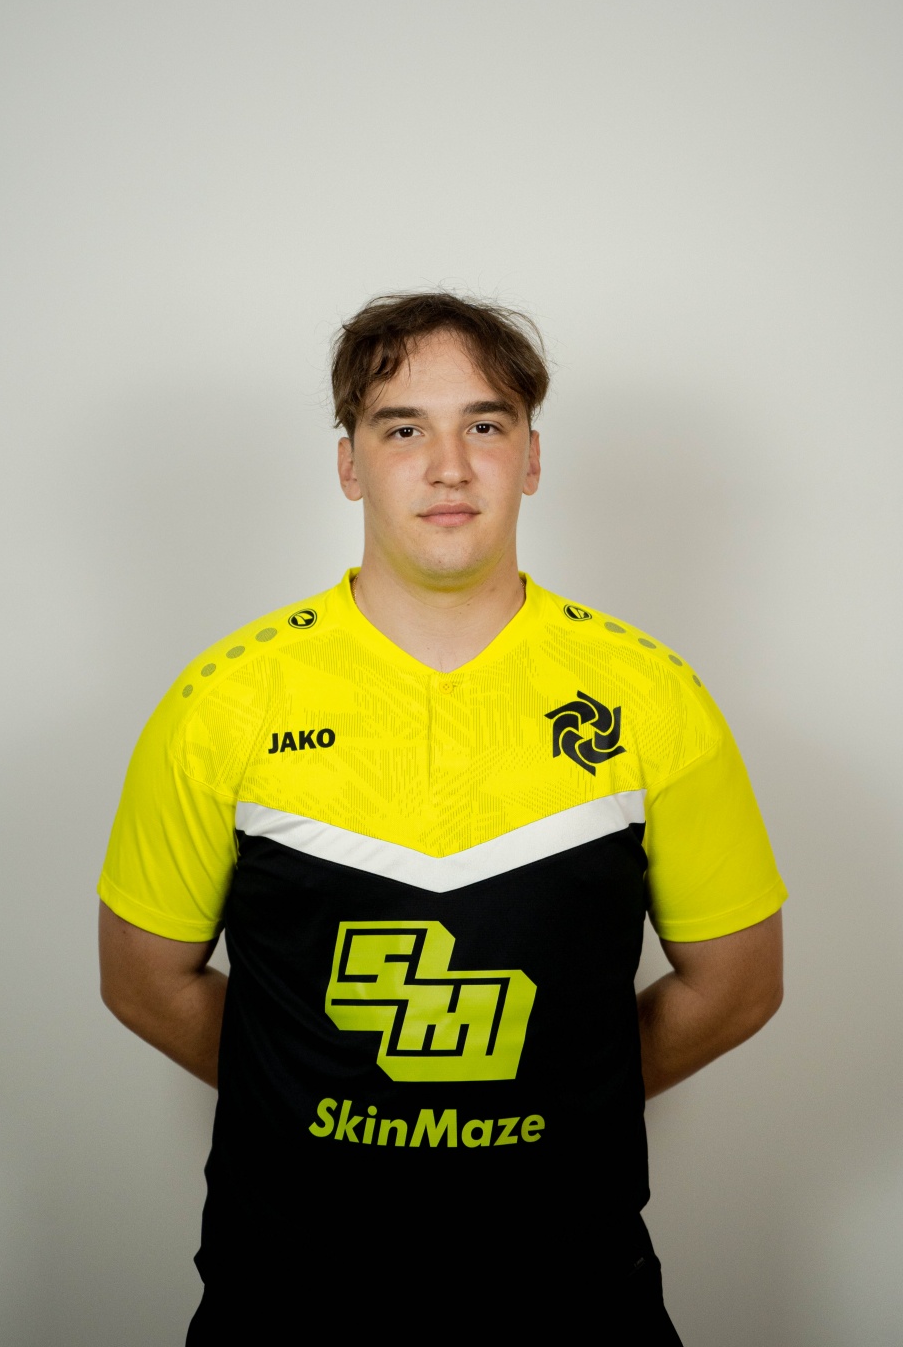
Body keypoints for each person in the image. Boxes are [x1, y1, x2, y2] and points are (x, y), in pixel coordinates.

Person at [98, 291, 786, 1343]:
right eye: (403, 429)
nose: (450, 466)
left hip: (574, 1289)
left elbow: (738, 985)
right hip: (286, 1290)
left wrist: (564, 1097)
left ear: (532, 458)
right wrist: (309, 1094)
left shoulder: (653, 699)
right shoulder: (223, 701)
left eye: (486, 425)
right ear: (349, 465)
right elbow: (143, 981)